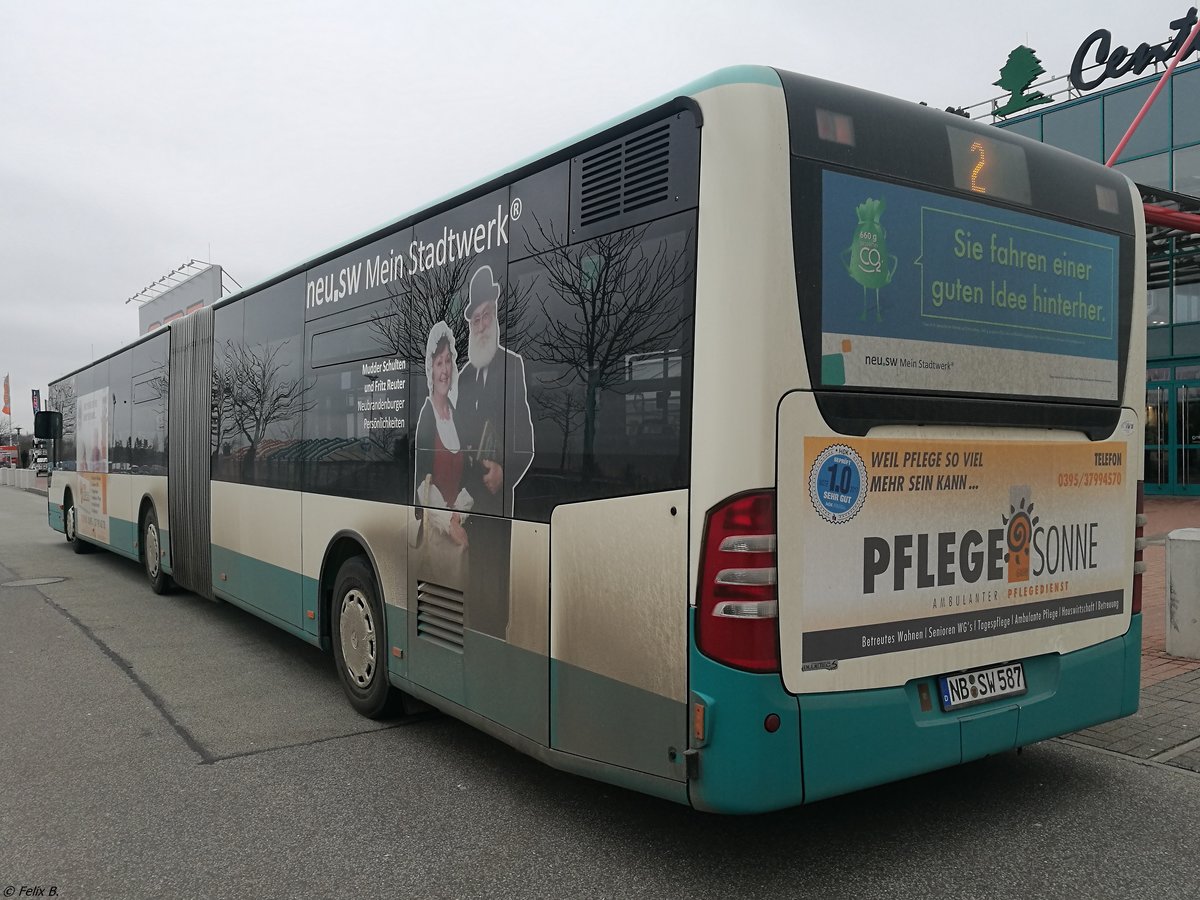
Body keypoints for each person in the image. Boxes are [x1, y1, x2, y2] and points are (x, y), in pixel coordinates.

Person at [455, 263, 535, 517]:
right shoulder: (464, 376)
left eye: (486, 315)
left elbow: (525, 443)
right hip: (465, 506)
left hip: (496, 508)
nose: (480, 326)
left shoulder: (512, 366)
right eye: (475, 320)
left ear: (495, 316)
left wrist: (504, 474)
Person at [412, 322, 472, 584]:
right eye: (439, 363)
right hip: (437, 537)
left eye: (448, 361)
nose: (445, 370)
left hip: (458, 534)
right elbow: (421, 487)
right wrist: (449, 523)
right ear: (430, 369)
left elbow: (468, 477)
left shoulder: (458, 417)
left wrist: (459, 514)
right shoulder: (426, 418)